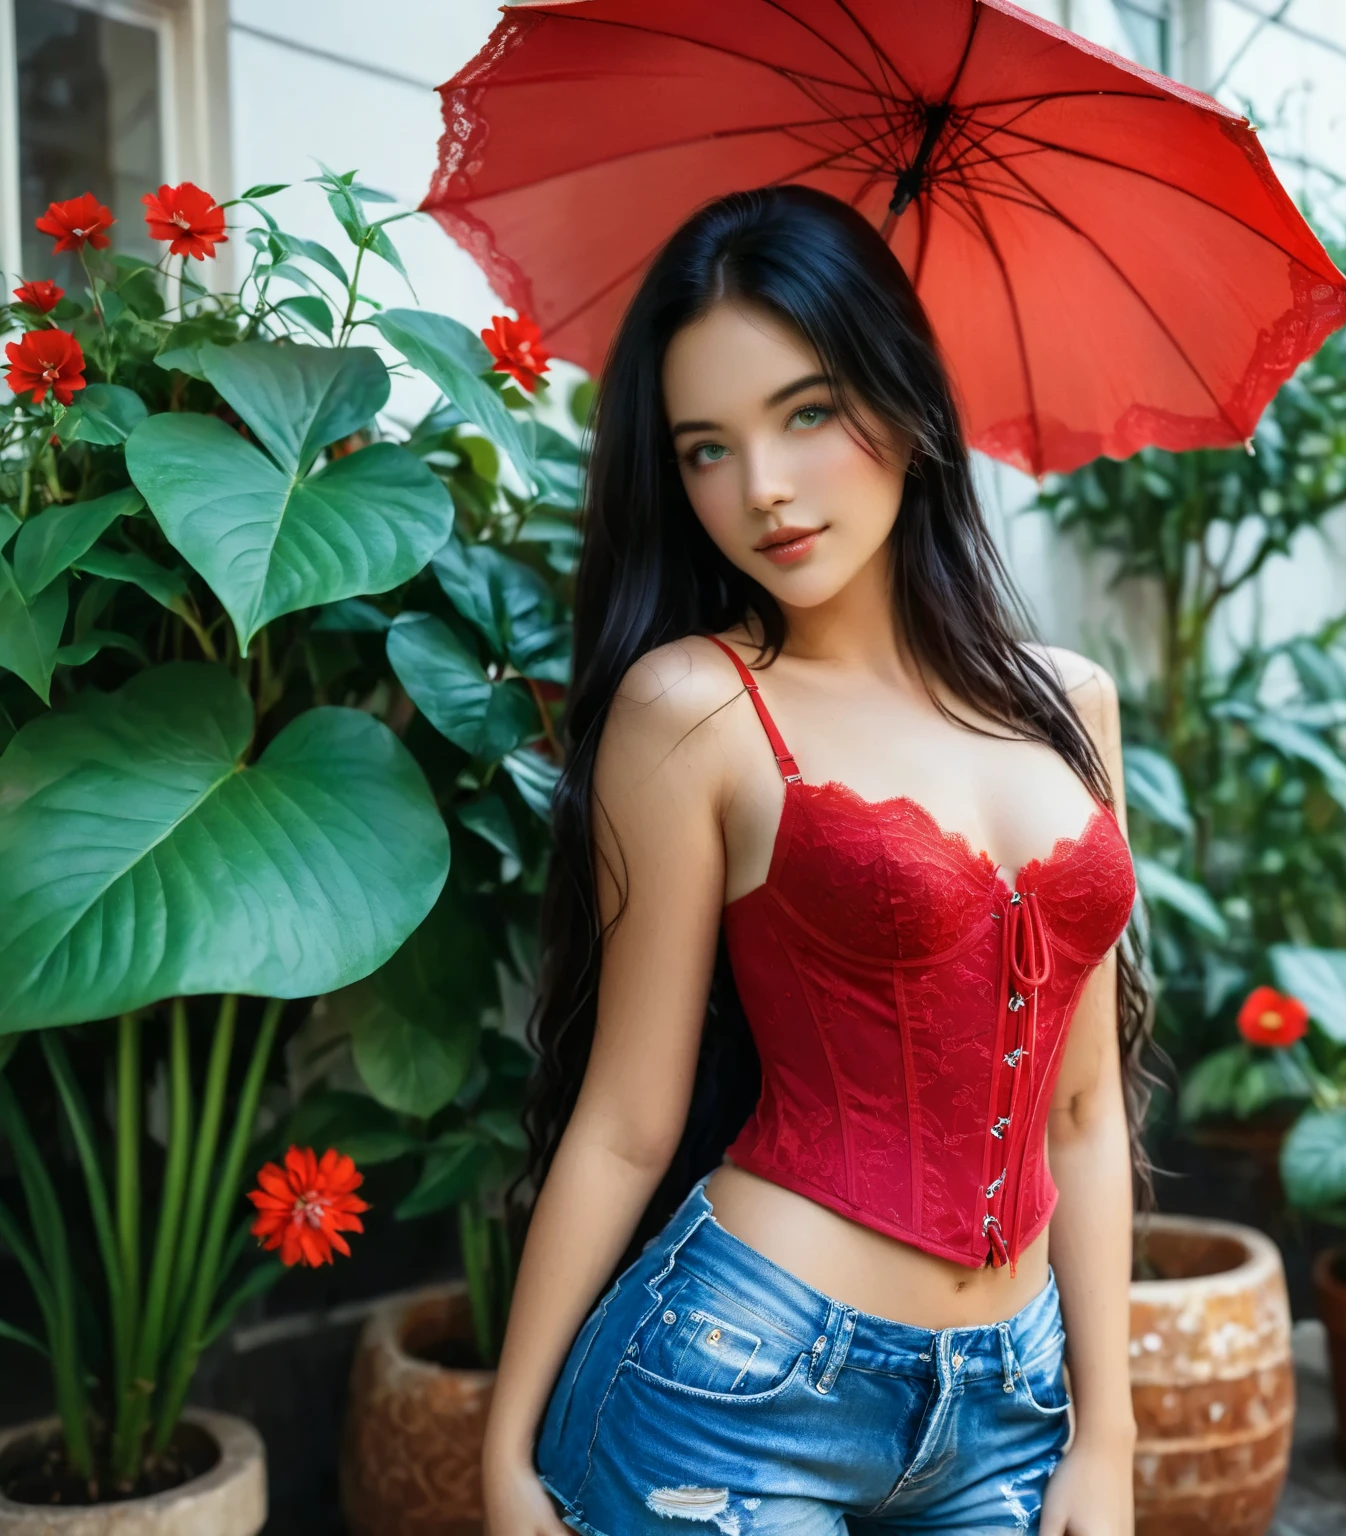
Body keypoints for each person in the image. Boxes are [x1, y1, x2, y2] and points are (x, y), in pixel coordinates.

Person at [482, 183, 1152, 1536]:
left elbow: (1083, 1114)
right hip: (737, 1389)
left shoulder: (1068, 702)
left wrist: (1110, 1430)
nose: (764, 490)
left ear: (904, 404)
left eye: (805, 412)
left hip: (1014, 1405)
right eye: (705, 449)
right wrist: (502, 1455)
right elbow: (627, 1118)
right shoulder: (695, 708)